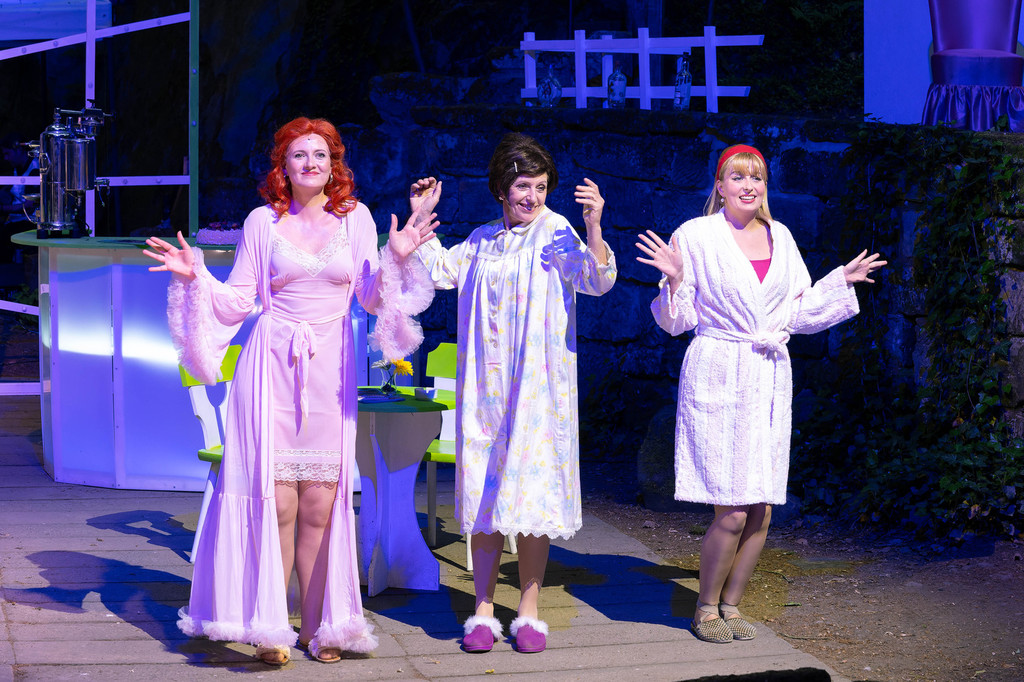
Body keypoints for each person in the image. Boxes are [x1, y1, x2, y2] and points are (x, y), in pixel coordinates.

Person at [143, 117, 437, 665]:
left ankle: (321, 626)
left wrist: (396, 256)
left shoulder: (356, 219)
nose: (310, 164)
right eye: (299, 154)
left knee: (321, 504)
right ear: (284, 164)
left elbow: (372, 298)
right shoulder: (263, 222)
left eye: (321, 155)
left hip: (330, 373)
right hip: (271, 368)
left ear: (334, 164)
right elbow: (238, 300)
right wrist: (195, 276)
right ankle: (271, 626)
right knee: (277, 503)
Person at [635, 144, 885, 644]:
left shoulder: (781, 237)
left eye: (757, 178)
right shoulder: (696, 235)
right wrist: (676, 279)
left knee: (762, 509)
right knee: (731, 509)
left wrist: (839, 282)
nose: (748, 186)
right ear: (720, 186)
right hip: (718, 371)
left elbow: (798, 310)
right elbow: (676, 321)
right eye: (737, 177)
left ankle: (732, 605)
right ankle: (705, 608)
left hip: (767, 376)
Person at [410, 132, 617, 654]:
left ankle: (528, 610)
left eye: (541, 186)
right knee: (484, 495)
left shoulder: (557, 232)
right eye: (524, 186)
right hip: (485, 391)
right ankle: (482, 608)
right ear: (501, 188)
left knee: (531, 496)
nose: (533, 196)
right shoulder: (481, 240)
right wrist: (420, 216)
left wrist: (593, 226)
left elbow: (597, 279)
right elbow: (440, 271)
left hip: (537, 392)